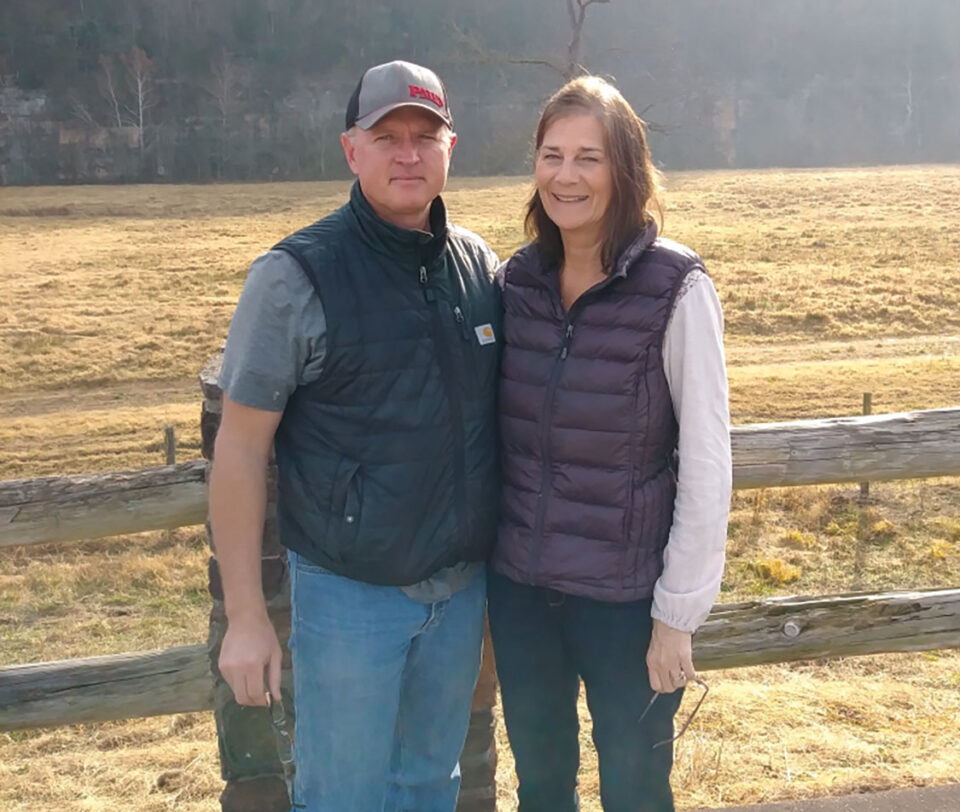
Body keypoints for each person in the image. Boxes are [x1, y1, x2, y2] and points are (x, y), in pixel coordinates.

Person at [209, 60, 502, 812]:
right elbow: (240, 452)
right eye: (387, 137)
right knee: (341, 796)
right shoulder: (293, 277)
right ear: (351, 150)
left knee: (431, 785)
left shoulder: (478, 268)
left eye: (425, 137)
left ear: (450, 148)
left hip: (460, 594)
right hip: (349, 598)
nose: (408, 153)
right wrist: (246, 616)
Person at [487, 75, 732, 812]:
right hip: (523, 592)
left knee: (634, 786)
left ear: (626, 169)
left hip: (626, 600)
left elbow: (707, 463)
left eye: (589, 158)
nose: (567, 176)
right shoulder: (515, 283)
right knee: (540, 786)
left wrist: (676, 615)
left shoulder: (676, 288)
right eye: (552, 155)